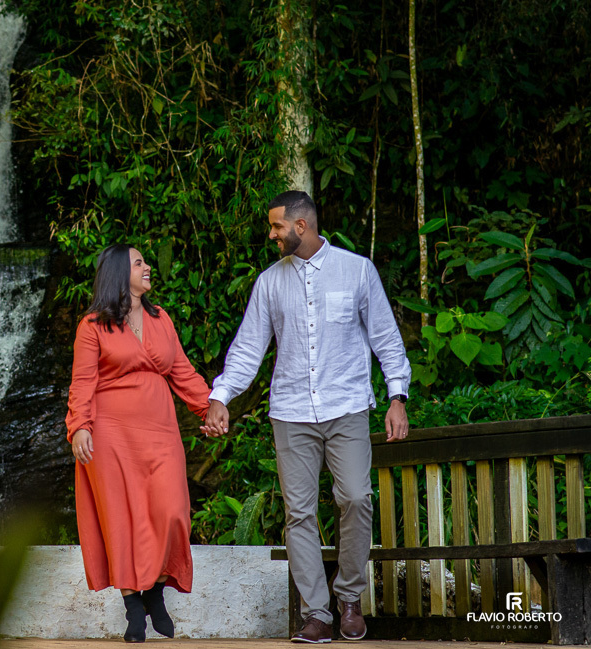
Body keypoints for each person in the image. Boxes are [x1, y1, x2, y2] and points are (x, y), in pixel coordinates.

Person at [202, 191, 411, 643]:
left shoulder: (356, 270)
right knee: (299, 514)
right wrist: (221, 395)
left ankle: (350, 600)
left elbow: (386, 338)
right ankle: (317, 614)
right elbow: (248, 349)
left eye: (276, 227)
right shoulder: (269, 282)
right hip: (292, 412)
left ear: (301, 226)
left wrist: (398, 396)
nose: (271, 235)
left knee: (355, 497)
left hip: (346, 406)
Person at [66, 243, 212, 643]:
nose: (148, 267)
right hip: (110, 435)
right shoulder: (93, 325)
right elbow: (82, 383)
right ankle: (134, 605)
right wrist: (80, 426)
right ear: (118, 273)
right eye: (139, 263)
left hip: (160, 431)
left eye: (146, 261)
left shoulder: (160, 319)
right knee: (122, 520)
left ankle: (156, 591)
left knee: (173, 512)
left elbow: (182, 371)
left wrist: (210, 408)